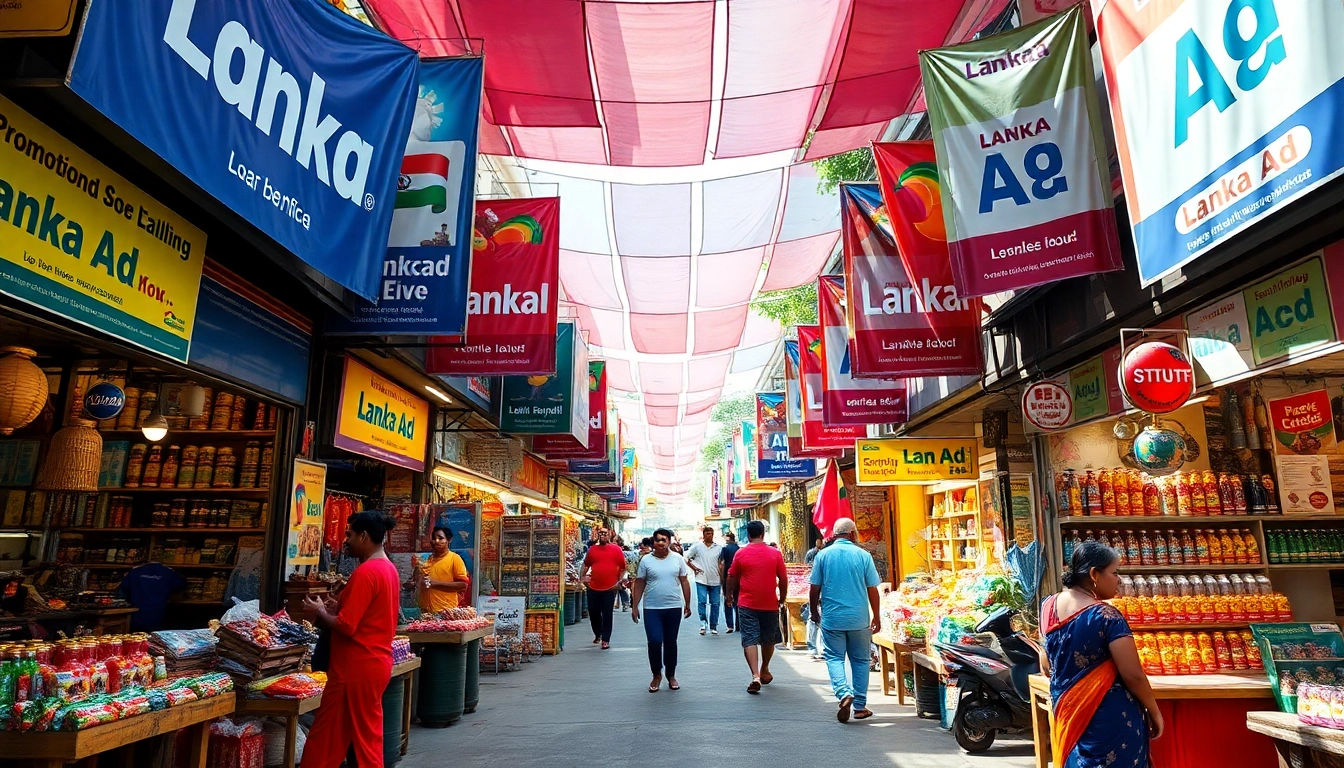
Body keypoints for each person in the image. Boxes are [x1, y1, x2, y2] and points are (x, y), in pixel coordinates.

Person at [1043, 541, 1162, 767]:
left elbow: (1046, 664)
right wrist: (1154, 712)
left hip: (1068, 715)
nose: (1119, 580)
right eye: (1114, 572)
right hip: (1109, 720)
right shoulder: (1106, 616)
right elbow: (1133, 674)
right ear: (1093, 574)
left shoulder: (1047, 607)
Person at [300, 512, 401, 767]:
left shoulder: (367, 572)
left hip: (354, 668)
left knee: (328, 739)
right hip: (371, 664)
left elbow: (346, 625)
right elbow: (364, 616)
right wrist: (335, 605)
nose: (346, 540)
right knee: (358, 738)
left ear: (364, 536)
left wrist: (320, 611)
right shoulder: (387, 569)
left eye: (349, 534)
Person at [809, 518, 881, 723]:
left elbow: (814, 588)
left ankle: (843, 693)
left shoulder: (823, 555)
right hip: (859, 619)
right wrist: (876, 615)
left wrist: (814, 611)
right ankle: (860, 706)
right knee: (860, 660)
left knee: (834, 658)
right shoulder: (863, 555)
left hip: (832, 618)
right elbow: (872, 589)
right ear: (851, 534)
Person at [726, 521, 787, 694]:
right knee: (768, 638)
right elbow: (783, 578)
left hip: (747, 603)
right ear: (763, 533)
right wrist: (782, 597)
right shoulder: (775, 553)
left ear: (748, 535)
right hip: (769, 603)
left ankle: (755, 675)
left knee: (749, 639)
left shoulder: (741, 553)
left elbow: (731, 576)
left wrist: (728, 595)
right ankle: (764, 668)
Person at [631, 528, 692, 692]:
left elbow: (684, 581)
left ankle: (671, 675)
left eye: (664, 540)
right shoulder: (646, 561)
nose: (661, 543)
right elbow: (639, 582)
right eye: (657, 540)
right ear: (653, 543)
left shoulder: (677, 559)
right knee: (655, 641)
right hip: (652, 608)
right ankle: (656, 674)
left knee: (671, 642)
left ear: (669, 542)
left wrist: (688, 603)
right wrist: (635, 606)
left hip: (673, 607)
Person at [579, 527, 626, 649]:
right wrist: (583, 578)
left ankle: (606, 639)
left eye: (605, 533)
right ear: (597, 535)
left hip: (610, 588)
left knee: (607, 613)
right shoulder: (592, 550)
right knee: (593, 612)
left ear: (609, 535)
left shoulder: (616, 549)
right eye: (601, 533)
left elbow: (623, 567)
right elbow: (586, 564)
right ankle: (598, 633)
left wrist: (619, 582)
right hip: (593, 587)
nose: (603, 535)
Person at [411, 525, 469, 614]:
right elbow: (417, 582)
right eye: (434, 538)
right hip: (424, 611)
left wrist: (435, 584)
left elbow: (463, 585)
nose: (436, 541)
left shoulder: (455, 559)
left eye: (440, 538)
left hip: (445, 611)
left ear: (448, 540)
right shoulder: (426, 559)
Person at [684, 526, 724, 635]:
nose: (709, 535)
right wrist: (694, 568)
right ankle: (703, 624)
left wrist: (723, 578)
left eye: (711, 533)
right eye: (707, 533)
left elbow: (721, 563)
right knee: (702, 602)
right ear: (703, 535)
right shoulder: (697, 547)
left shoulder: (719, 548)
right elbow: (687, 559)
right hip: (701, 579)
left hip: (715, 579)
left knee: (715, 603)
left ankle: (713, 626)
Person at [718, 532, 741, 634]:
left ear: (728, 539)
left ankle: (730, 625)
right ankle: (739, 625)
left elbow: (721, 565)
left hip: (728, 577)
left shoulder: (725, 549)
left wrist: (722, 579)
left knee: (728, 600)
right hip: (739, 578)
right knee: (738, 601)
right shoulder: (739, 549)